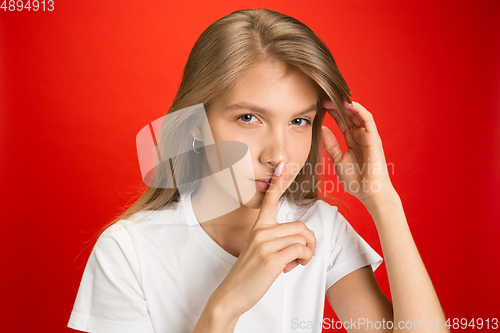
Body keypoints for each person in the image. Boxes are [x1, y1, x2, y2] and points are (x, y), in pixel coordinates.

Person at [68, 8, 449, 333]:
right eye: (249, 118)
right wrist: (226, 305)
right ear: (197, 125)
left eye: (299, 121)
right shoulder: (128, 251)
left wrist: (382, 199)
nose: (278, 154)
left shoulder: (319, 228)